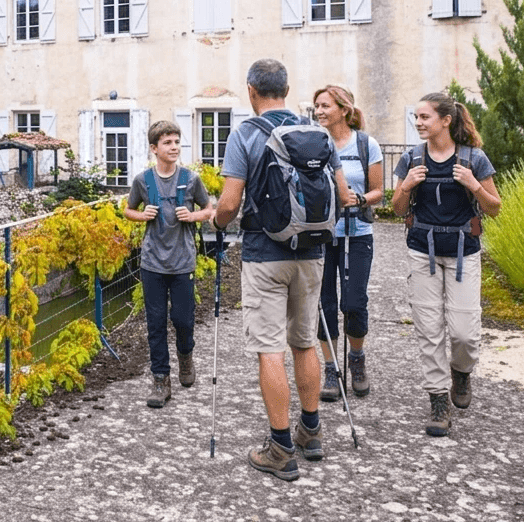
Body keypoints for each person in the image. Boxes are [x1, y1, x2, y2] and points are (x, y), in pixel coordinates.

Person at [211, 59, 353, 482]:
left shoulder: (244, 134)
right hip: (311, 253)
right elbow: (343, 195)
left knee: (269, 348)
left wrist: (217, 221)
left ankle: (279, 448)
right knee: (305, 343)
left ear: (252, 91)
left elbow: (229, 204)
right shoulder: (317, 134)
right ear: (287, 91)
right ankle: (310, 432)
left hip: (265, 254)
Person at [391, 92, 500, 437]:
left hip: (463, 252)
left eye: (424, 117)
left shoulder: (474, 158)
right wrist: (406, 186)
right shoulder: (411, 158)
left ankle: (461, 372)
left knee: (464, 332)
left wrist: (473, 185)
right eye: (416, 117)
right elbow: (397, 208)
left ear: (446, 120)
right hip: (422, 251)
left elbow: (494, 208)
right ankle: (438, 400)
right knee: (429, 329)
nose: (418, 123)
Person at [122, 121, 214, 408]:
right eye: (167, 143)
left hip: (183, 262)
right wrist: (142, 215)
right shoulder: (143, 180)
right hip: (152, 263)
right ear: (154, 148)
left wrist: (193, 216)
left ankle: (186, 357)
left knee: (183, 320)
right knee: (155, 323)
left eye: (176, 142)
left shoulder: (191, 179)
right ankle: (161, 379)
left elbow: (209, 209)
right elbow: (128, 210)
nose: (174, 147)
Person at [313, 85, 383, 402]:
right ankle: (331, 368)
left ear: (344, 109)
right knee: (324, 304)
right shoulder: (313, 144)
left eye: (325, 105)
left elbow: (378, 192)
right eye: (317, 106)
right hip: (322, 235)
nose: (319, 111)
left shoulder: (366, 144)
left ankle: (356, 358)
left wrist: (359, 199)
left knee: (353, 303)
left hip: (357, 234)